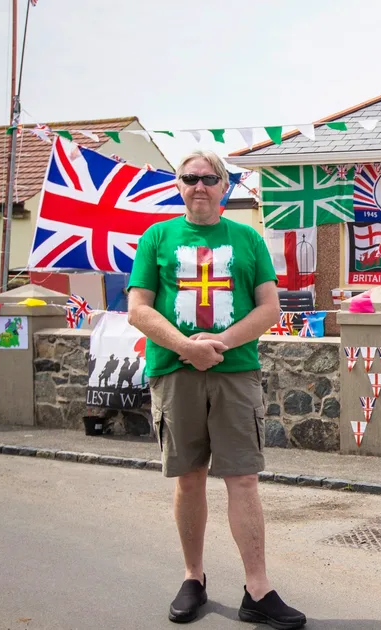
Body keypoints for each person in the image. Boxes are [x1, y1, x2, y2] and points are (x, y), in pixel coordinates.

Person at [128, 150, 305, 629]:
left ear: (225, 185)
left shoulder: (248, 238)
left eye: (209, 178)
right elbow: (138, 309)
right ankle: (193, 578)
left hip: (235, 372)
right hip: (174, 372)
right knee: (188, 478)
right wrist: (187, 346)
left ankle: (258, 589)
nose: (200, 185)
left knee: (243, 479)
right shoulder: (156, 237)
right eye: (190, 178)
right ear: (178, 185)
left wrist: (219, 343)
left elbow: (269, 308)